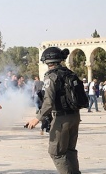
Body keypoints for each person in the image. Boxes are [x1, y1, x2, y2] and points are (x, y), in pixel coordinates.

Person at [27, 46, 81, 174]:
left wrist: (37, 118)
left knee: (56, 153)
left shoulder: (51, 76)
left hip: (61, 119)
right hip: (74, 116)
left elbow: (48, 102)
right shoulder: (70, 73)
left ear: (47, 61)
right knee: (69, 151)